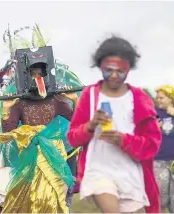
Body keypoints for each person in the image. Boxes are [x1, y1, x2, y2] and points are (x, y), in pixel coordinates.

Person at [67, 36, 162, 213]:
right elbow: (72, 137)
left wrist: (123, 140)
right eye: (108, 70)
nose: (113, 75)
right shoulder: (91, 95)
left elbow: (152, 145)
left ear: (129, 69)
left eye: (120, 71)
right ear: (99, 66)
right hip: (99, 170)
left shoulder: (139, 99)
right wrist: (90, 125)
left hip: (131, 173)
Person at [0, 59, 79, 213]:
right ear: (26, 77)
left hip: (54, 155)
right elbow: (9, 132)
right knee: (31, 196)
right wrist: (6, 108)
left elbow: (77, 121)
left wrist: (74, 100)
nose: (37, 77)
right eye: (33, 74)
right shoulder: (19, 102)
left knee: (57, 193)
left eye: (40, 74)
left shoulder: (55, 100)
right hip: (30, 155)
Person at [154, 85, 174, 212]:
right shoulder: (155, 113)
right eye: (157, 98)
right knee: (159, 200)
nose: (158, 100)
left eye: (161, 98)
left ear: (171, 99)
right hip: (158, 162)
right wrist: (154, 128)